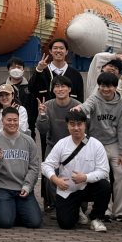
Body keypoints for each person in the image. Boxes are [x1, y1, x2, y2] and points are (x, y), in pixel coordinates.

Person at [41, 110, 111, 231]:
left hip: (88, 187)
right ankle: (76, 210)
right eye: (72, 124)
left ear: (85, 125)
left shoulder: (96, 145)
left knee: (104, 186)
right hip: (67, 189)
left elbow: (104, 170)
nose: (76, 128)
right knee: (66, 224)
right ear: (67, 126)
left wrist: (85, 177)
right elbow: (46, 165)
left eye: (79, 124)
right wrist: (56, 180)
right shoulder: (62, 144)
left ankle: (96, 218)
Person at [76, 72, 122, 221]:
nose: (105, 89)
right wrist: (79, 109)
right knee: (103, 175)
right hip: (96, 143)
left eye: (109, 86)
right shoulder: (94, 99)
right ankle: (105, 210)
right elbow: (86, 107)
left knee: (121, 173)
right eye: (102, 86)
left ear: (115, 87)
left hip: (114, 143)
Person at [0, 109, 42, 229]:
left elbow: (34, 167)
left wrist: (27, 186)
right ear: (2, 121)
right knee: (5, 223)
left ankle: (11, 209)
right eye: (9, 120)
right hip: (2, 188)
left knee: (35, 222)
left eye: (15, 120)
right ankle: (3, 211)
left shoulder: (28, 141)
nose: (12, 123)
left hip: (23, 188)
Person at [36, 75, 82, 211]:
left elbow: (86, 128)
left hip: (75, 147)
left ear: (69, 89)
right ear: (53, 90)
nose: (60, 89)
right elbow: (42, 130)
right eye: (57, 86)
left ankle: (79, 206)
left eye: (63, 86)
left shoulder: (78, 105)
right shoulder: (47, 105)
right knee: (50, 175)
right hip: (53, 146)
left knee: (77, 175)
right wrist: (42, 115)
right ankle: (57, 205)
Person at [30, 38, 84, 106]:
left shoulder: (75, 74)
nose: (58, 51)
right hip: (44, 111)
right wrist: (38, 70)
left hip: (69, 112)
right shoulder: (42, 71)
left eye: (61, 48)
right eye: (55, 48)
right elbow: (31, 88)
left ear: (66, 52)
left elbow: (80, 98)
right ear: (50, 51)